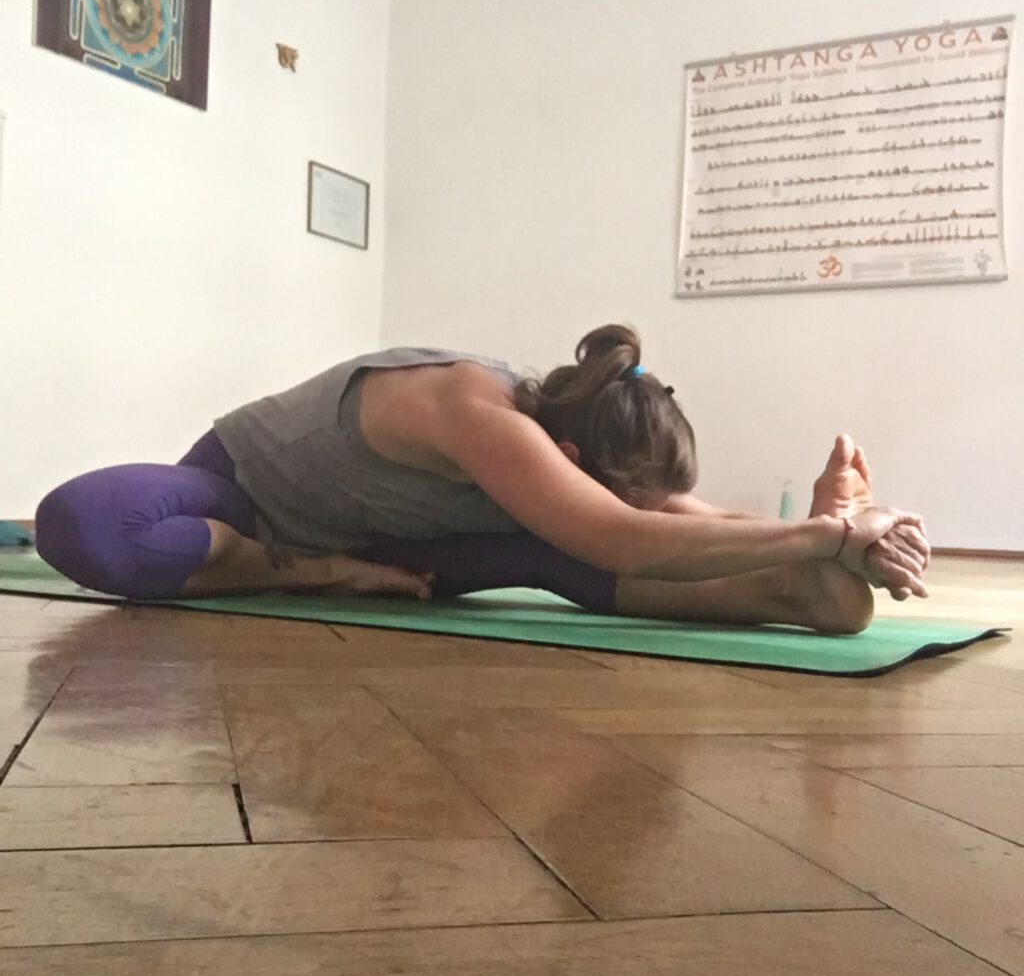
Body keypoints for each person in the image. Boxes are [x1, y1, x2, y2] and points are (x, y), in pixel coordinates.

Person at [35, 324, 929, 633]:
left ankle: (805, 592)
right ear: (570, 461)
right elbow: (623, 536)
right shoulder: (476, 410)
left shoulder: (580, 435)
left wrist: (838, 549)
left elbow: (676, 520)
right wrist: (825, 532)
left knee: (549, 552)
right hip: (244, 495)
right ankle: (319, 574)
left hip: (403, 549)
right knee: (86, 526)